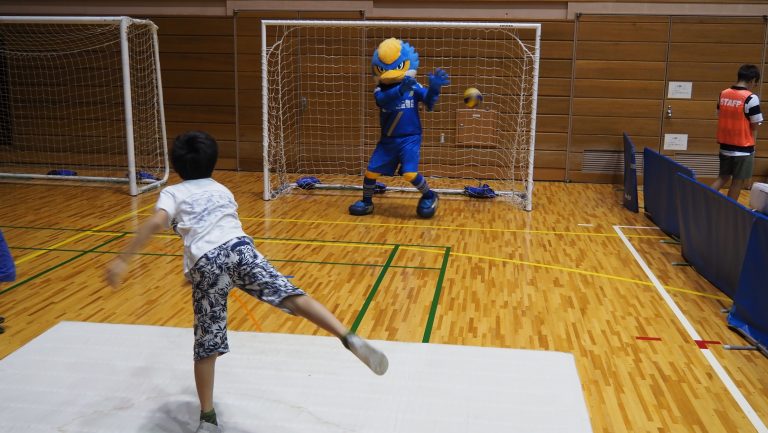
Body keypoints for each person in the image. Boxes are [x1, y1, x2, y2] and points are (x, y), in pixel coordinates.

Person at [106, 131, 388, 433]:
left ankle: (208, 419)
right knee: (290, 295)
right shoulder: (222, 189)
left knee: (207, 346)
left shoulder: (172, 193)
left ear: (176, 165)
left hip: (207, 264)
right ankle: (347, 336)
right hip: (241, 249)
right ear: (212, 161)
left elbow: (160, 223)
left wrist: (123, 259)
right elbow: (218, 229)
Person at [348, 38, 449, 218]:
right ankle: (367, 202)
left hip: (410, 138)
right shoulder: (380, 90)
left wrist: (434, 89)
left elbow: (429, 103)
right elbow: (383, 101)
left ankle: (429, 195)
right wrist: (401, 89)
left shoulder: (414, 85)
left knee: (409, 174)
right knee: (371, 172)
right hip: (387, 141)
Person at [711, 64, 763, 201]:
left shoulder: (723, 94)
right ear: (752, 80)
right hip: (743, 149)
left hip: (724, 147)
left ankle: (701, 201)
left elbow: (719, 114)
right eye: (755, 83)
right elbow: (755, 124)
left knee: (722, 178)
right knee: (737, 182)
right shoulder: (751, 98)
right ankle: (729, 211)